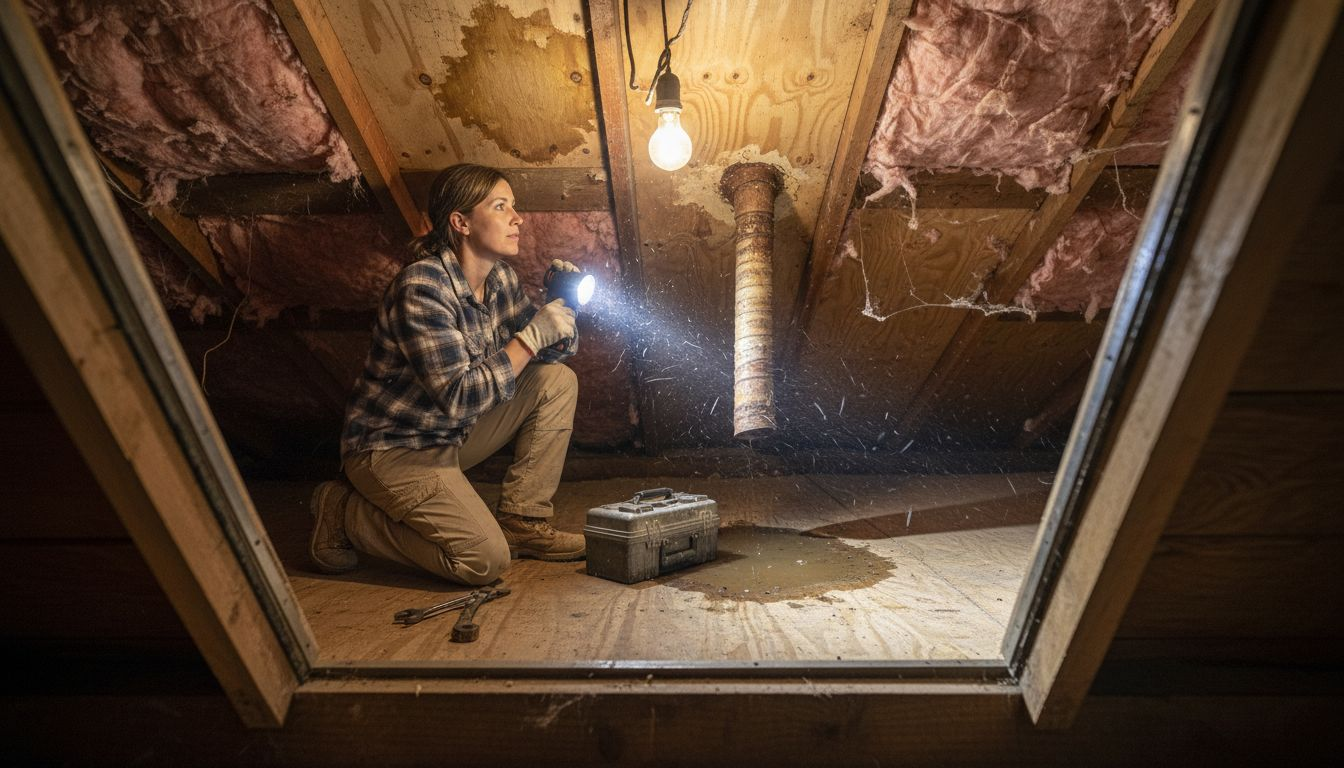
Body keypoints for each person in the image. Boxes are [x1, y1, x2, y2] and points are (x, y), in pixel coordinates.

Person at [307, 163, 585, 586]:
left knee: (556, 382)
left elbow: (552, 352)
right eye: (500, 206)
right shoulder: (422, 288)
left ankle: (522, 521)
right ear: (461, 223)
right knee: (484, 561)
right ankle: (346, 513)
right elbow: (459, 397)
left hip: (452, 435)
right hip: (394, 448)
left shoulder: (500, 279)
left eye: (514, 206)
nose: (518, 218)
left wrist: (561, 305)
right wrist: (531, 337)